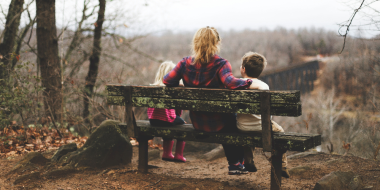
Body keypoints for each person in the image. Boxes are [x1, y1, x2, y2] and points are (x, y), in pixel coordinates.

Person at [163, 26, 255, 175]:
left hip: (198, 122)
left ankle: (236, 164)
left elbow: (167, 80)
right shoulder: (221, 64)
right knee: (233, 120)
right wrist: (249, 82)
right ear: (216, 43)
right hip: (220, 122)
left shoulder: (184, 63)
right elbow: (231, 83)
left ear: (196, 43)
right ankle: (236, 163)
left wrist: (179, 84)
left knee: (229, 119)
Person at [236, 51, 290, 178]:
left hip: (242, 127)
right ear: (260, 71)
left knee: (248, 133)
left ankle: (248, 161)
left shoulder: (236, 84)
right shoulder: (263, 86)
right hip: (262, 127)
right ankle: (282, 165)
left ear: (243, 69)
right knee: (280, 131)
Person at [147, 61, 187, 162]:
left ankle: (167, 153)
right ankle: (178, 155)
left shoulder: (153, 87)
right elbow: (177, 110)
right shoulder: (172, 88)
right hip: (166, 119)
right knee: (182, 125)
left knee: (169, 122)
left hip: (153, 120)